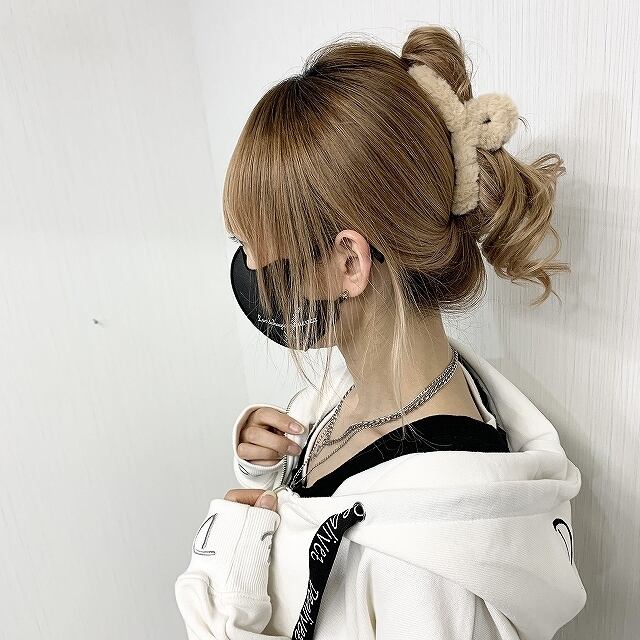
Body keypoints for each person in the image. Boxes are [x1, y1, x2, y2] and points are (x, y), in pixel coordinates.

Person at [174, 25, 587, 640]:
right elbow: (331, 500)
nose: (252, 263)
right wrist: (264, 474)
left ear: (348, 262)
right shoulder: (370, 387)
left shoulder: (425, 569)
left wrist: (223, 588)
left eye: (258, 240)